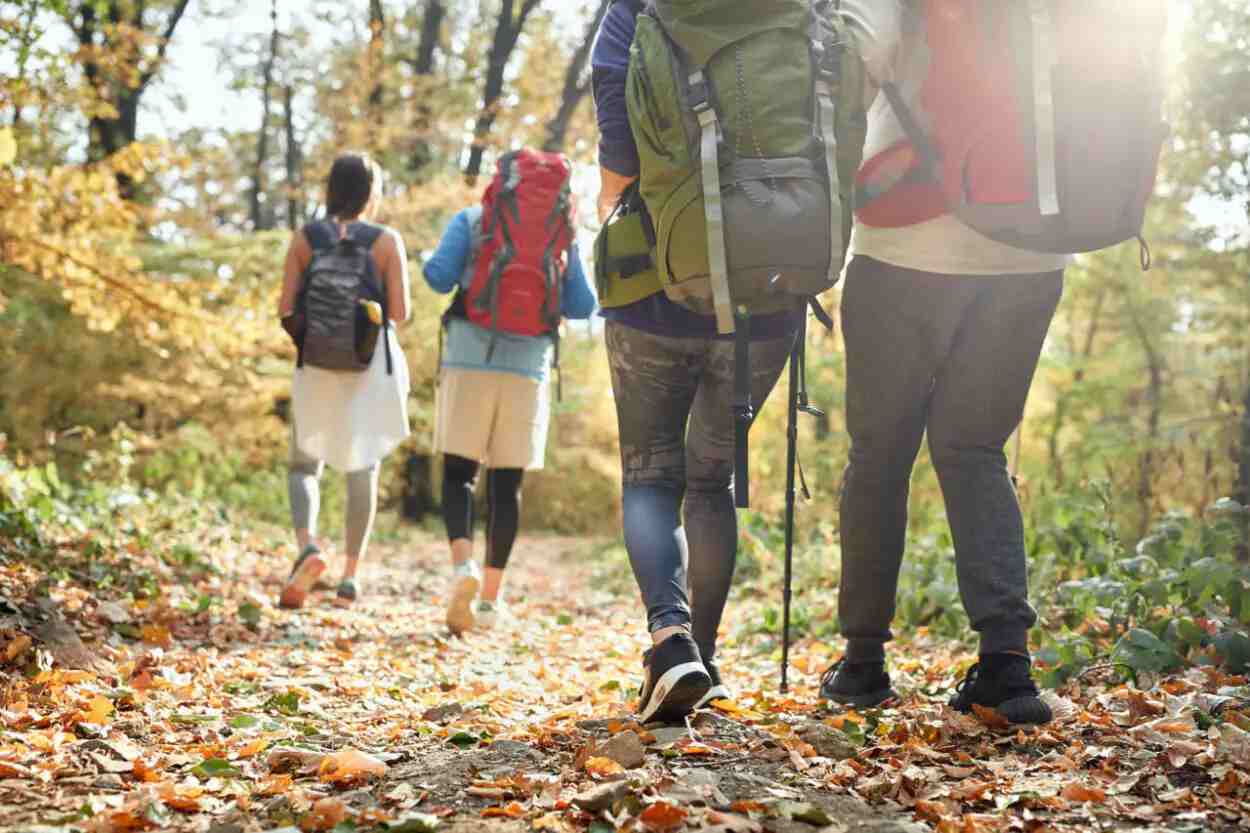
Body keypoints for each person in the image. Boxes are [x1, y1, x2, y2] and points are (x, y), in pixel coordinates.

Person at [594, 0, 856, 722]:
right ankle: (701, 659)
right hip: (769, 293)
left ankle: (670, 641)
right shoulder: (806, 11)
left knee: (650, 474)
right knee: (712, 480)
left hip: (653, 287)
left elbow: (617, 169)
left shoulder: (635, 11)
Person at [819, 0, 1068, 724]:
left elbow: (856, 60)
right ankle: (1007, 663)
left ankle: (862, 663)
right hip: (1036, 242)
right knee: (974, 447)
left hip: (907, 238)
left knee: (880, 452)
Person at [423, 151, 596, 635]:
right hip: (528, 370)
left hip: (466, 359)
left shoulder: (474, 219)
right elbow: (583, 305)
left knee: (459, 475)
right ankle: (490, 602)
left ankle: (463, 569)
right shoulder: (562, 234)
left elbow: (437, 277)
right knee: (507, 486)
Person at [276, 152, 412, 609]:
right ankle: (351, 575)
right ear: (371, 192)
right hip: (368, 363)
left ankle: (308, 548)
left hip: (314, 363)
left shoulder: (304, 238)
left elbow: (286, 309)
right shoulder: (386, 240)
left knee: (303, 465)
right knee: (363, 465)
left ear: (330, 189)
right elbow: (399, 314)